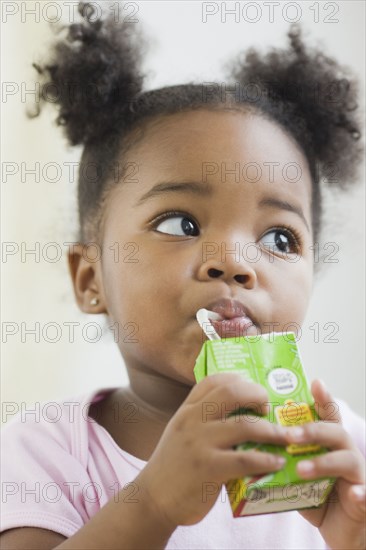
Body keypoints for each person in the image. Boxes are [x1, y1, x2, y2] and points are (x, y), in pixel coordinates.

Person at [1, 2, 365, 549]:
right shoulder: (45, 450)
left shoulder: (343, 449)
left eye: (279, 238)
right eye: (180, 222)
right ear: (90, 278)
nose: (235, 261)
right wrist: (155, 500)